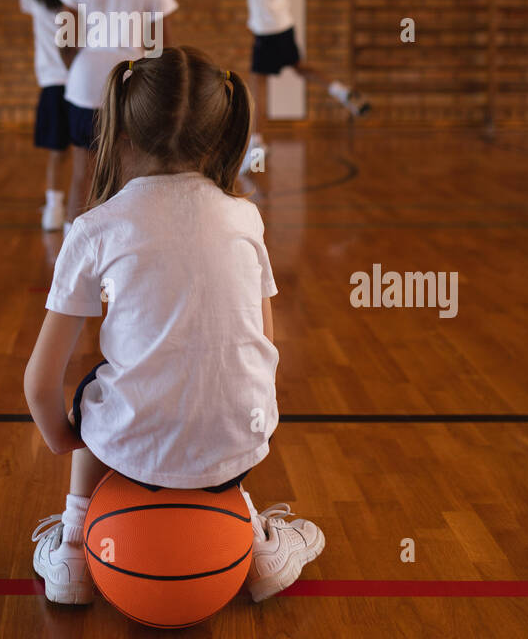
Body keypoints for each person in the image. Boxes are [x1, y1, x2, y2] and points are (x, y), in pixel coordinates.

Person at [24, 46, 325, 606]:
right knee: (225, 378)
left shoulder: (95, 228)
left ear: (121, 131)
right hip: (244, 433)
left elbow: (40, 383)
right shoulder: (245, 216)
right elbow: (263, 344)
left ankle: (71, 547)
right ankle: (258, 547)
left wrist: (68, 437)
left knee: (96, 385)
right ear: (222, 132)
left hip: (128, 451)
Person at [58, 0, 178, 230]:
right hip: (130, 89)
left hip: (84, 87)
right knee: (128, 174)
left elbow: (65, 40)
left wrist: (78, 69)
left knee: (82, 174)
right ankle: (124, 253)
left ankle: (72, 251)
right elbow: (162, 50)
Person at [232, 0, 370, 162]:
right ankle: (341, 90)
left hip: (268, 35)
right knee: (299, 67)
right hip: (285, 29)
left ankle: (258, 144)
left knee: (258, 87)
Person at [0, 0, 96, 230]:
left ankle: (53, 209)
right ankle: (81, 213)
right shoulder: (82, 5)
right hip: (83, 86)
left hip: (52, 85)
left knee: (57, 154)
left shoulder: (37, 1)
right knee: (85, 155)